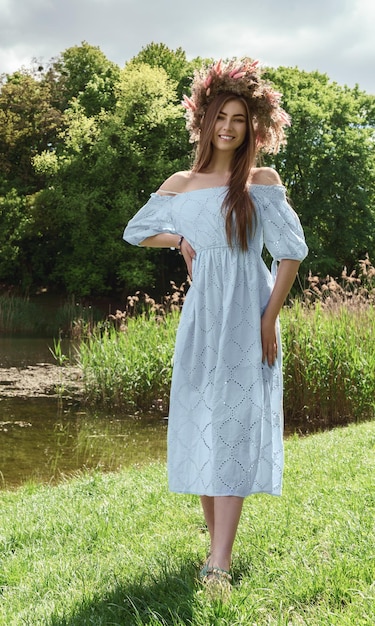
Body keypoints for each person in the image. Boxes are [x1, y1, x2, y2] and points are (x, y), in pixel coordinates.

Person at [123, 58, 308, 588]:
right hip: (201, 317)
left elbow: (290, 253)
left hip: (248, 314)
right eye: (220, 116)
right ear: (204, 119)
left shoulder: (260, 180)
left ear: (255, 127)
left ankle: (219, 564)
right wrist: (179, 239)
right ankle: (214, 549)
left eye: (240, 118)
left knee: (233, 426)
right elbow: (137, 231)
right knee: (204, 422)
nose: (229, 127)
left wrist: (268, 320)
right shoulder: (182, 183)